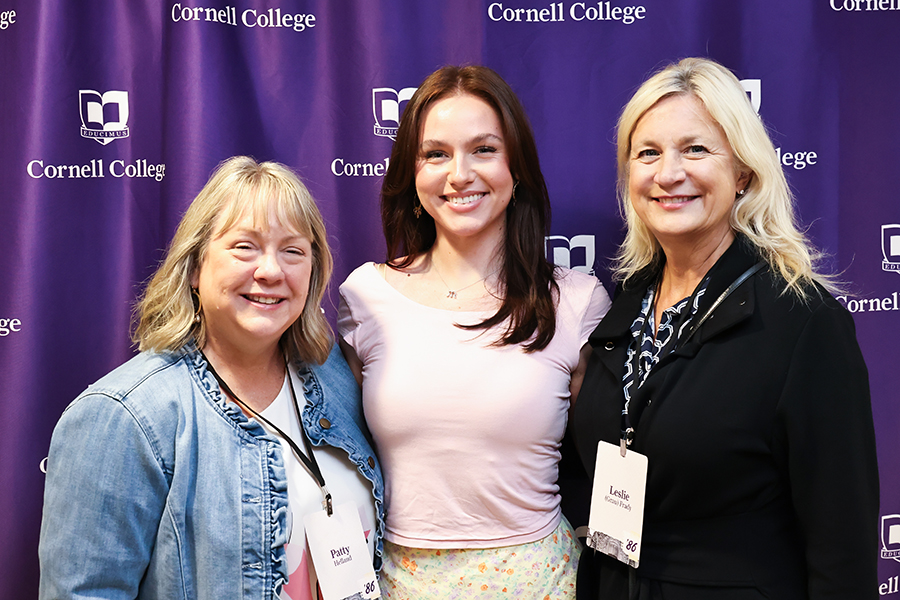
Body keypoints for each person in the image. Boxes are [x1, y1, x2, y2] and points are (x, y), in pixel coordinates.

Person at [571, 57, 879, 599]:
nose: (668, 173)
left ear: (743, 172)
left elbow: (842, 548)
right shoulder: (628, 303)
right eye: (648, 153)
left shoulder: (803, 322)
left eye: (695, 149)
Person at [38, 156, 384, 600]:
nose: (271, 271)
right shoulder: (124, 417)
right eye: (245, 246)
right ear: (196, 267)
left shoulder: (336, 379)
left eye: (293, 251)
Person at [337, 65, 611, 598]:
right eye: (436, 154)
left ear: (517, 169)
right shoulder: (367, 296)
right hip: (398, 582)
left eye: (483, 149)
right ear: (412, 177)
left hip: (540, 583)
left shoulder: (576, 301)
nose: (459, 174)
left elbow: (609, 456)